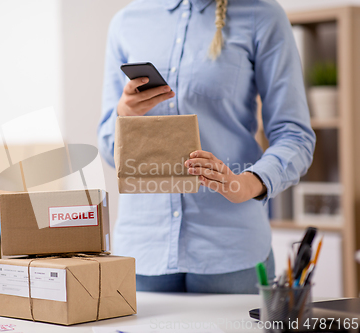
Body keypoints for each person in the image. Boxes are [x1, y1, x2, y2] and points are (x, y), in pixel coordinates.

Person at [97, 0, 316, 294]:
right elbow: (109, 147)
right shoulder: (126, 21)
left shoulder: (262, 15)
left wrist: (246, 184)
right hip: (142, 250)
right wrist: (125, 112)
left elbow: (295, 135)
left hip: (232, 250)